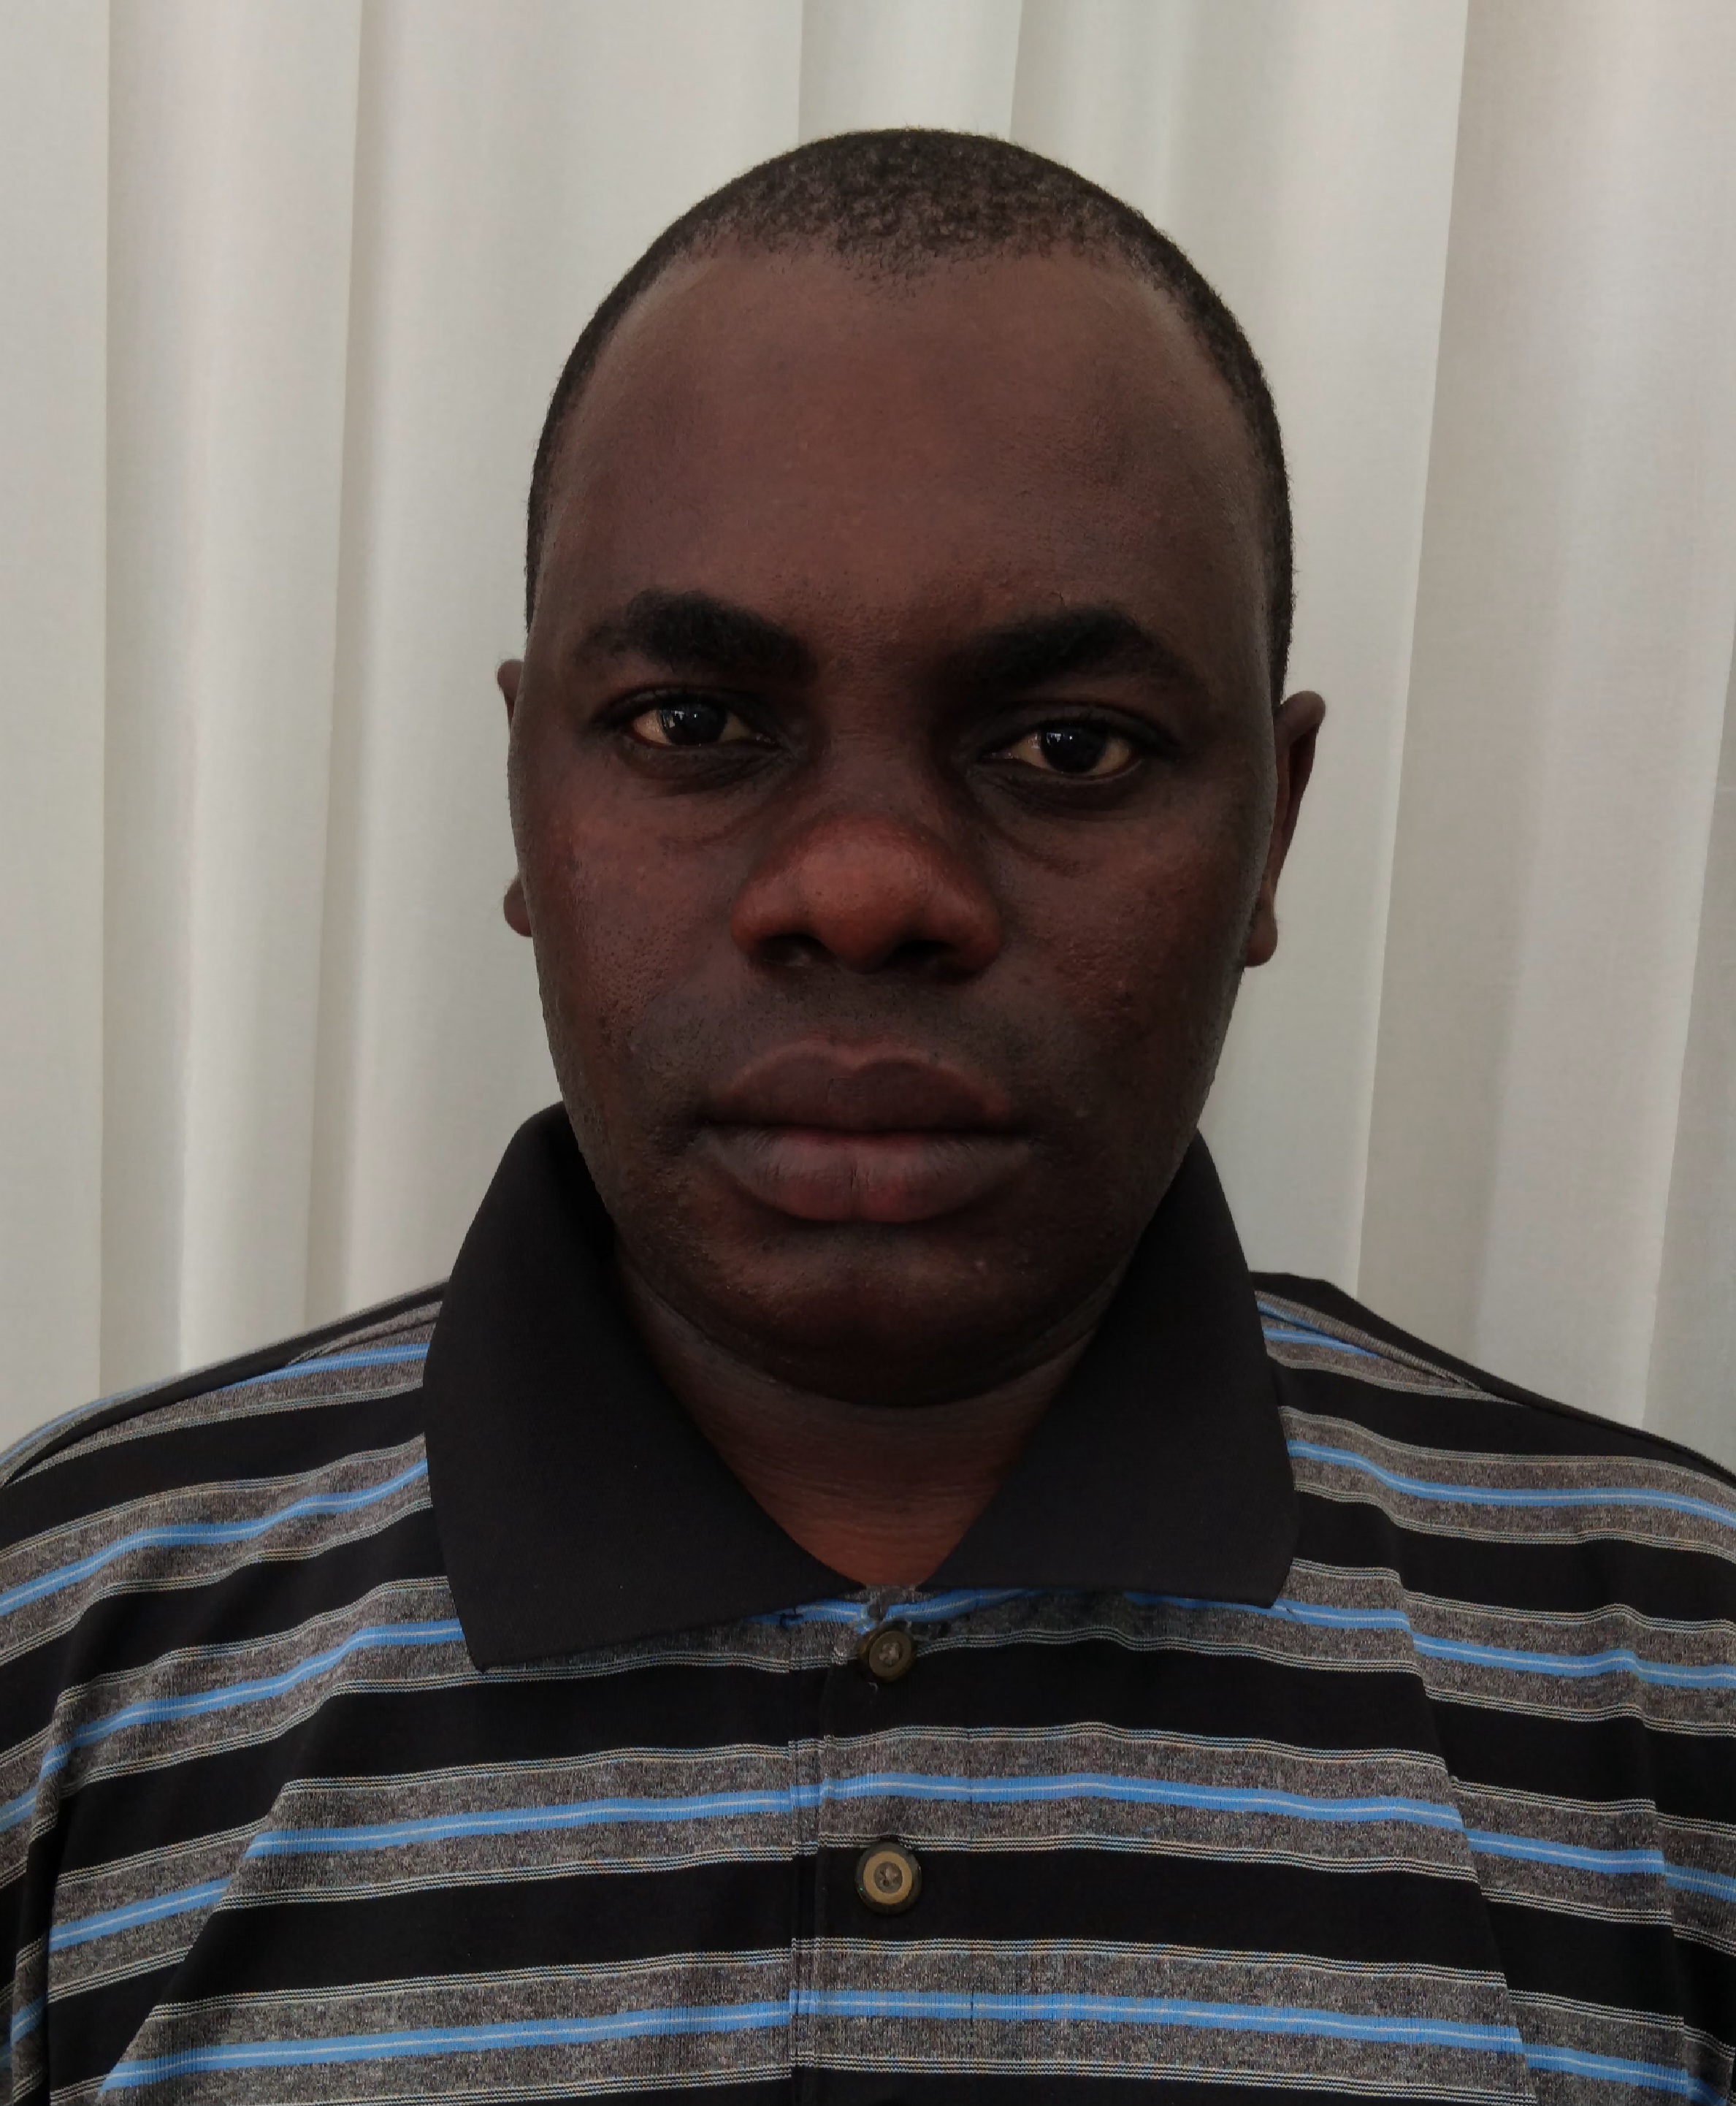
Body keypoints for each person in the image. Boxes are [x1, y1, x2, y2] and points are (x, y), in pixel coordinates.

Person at [4, 129, 1734, 2104]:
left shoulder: (1672, 1679)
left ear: (1274, 830)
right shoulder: (64, 1644)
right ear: (524, 794)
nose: (861, 885)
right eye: (692, 723)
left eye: (1067, 744)